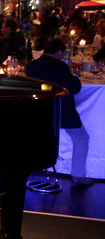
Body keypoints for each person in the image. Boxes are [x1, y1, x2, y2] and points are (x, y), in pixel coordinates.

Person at [25, 39, 92, 186]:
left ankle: (29, 168)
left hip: (38, 111)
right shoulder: (60, 66)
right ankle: (78, 175)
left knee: (36, 137)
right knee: (81, 138)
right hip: (61, 110)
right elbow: (74, 89)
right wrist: (75, 77)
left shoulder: (31, 66)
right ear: (60, 52)